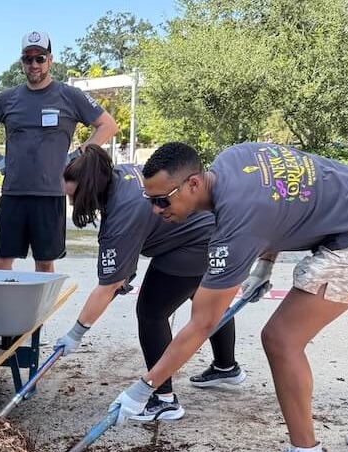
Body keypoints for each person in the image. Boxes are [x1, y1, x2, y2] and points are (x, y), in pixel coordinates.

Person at [108, 141, 348, 452]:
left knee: (281, 339)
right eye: (149, 200)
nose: (156, 210)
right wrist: (265, 264)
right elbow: (284, 196)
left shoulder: (236, 221)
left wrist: (145, 388)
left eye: (161, 200)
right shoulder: (233, 157)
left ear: (193, 184)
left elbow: (202, 323)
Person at [53, 145, 245, 421]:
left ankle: (164, 398)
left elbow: (108, 285)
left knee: (152, 312)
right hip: (208, 229)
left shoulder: (123, 213)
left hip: (194, 241)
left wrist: (76, 333)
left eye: (74, 197)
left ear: (90, 188)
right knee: (204, 301)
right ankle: (226, 367)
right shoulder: (115, 174)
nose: (72, 204)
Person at [0, 31, 119, 272]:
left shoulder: (69, 96)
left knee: (44, 264)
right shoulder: (8, 98)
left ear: (50, 60)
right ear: (22, 62)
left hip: (50, 195)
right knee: (1, 262)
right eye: (28, 59)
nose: (34, 64)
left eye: (39, 58)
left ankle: (42, 312)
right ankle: (5, 310)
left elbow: (108, 125)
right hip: (13, 194)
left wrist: (78, 156)